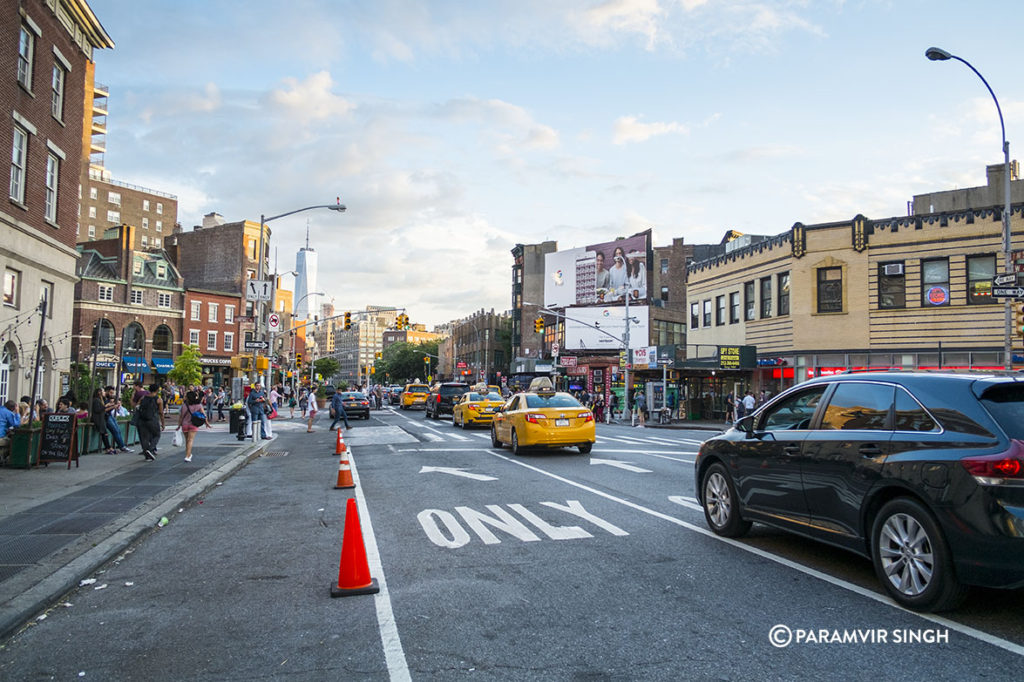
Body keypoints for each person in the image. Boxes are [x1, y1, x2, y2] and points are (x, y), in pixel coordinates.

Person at [177, 389, 211, 462]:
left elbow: (181, 417)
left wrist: (179, 425)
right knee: (190, 440)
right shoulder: (198, 405)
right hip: (193, 424)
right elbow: (204, 415)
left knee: (187, 440)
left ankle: (188, 454)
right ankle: (187, 456)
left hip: (184, 425)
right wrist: (207, 423)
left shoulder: (184, 406)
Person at [135, 384, 162, 461]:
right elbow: (161, 412)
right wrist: (163, 423)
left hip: (142, 419)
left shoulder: (143, 398)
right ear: (157, 390)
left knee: (144, 437)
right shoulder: (158, 399)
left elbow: (137, 406)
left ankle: (146, 453)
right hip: (152, 419)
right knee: (157, 434)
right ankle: (150, 449)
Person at [104, 386, 131, 453]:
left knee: (118, 430)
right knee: (115, 430)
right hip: (106, 416)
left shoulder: (108, 399)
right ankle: (122, 446)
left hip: (109, 415)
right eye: (110, 392)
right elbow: (104, 409)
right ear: (106, 391)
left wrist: (113, 405)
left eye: (112, 393)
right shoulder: (104, 399)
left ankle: (122, 445)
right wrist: (112, 406)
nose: (111, 394)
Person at [90, 388, 117, 454]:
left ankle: (108, 447)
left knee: (104, 433)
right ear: (99, 392)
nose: (104, 392)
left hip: (101, 418)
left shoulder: (101, 400)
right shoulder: (96, 400)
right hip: (98, 419)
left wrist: (110, 406)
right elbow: (98, 409)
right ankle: (108, 448)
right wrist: (106, 406)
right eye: (103, 391)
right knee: (104, 433)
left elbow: (102, 409)